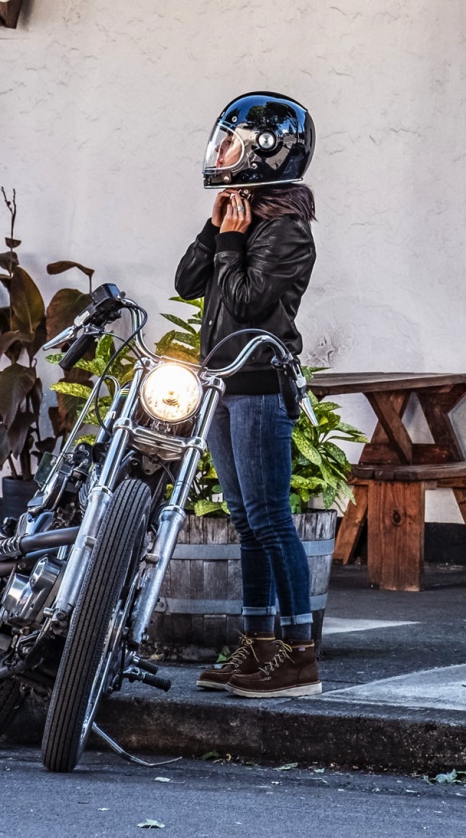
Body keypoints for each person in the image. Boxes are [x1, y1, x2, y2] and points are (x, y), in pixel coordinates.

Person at [174, 92, 321, 698]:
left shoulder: (286, 232)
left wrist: (232, 244)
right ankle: (259, 645)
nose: (223, 154)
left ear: (265, 154)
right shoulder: (240, 222)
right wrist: (215, 231)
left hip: (258, 386)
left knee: (270, 518)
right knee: (244, 520)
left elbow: (250, 302)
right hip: (222, 386)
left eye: (234, 144)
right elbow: (187, 283)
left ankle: (299, 655)